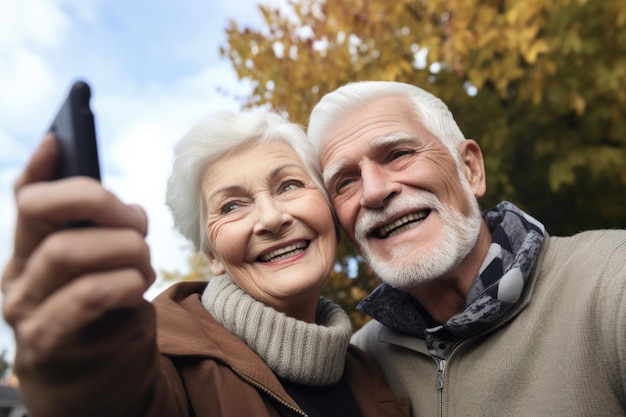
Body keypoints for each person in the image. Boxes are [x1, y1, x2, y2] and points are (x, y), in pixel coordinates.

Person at [1, 110, 410, 417]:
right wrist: (76, 368)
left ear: (331, 215)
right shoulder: (156, 356)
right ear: (212, 256)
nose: (271, 218)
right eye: (231, 206)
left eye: (288, 185)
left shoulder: (370, 370)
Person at [306, 80, 626, 416]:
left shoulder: (609, 282)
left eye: (399, 154)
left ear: (470, 169)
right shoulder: (362, 365)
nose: (373, 192)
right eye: (345, 181)